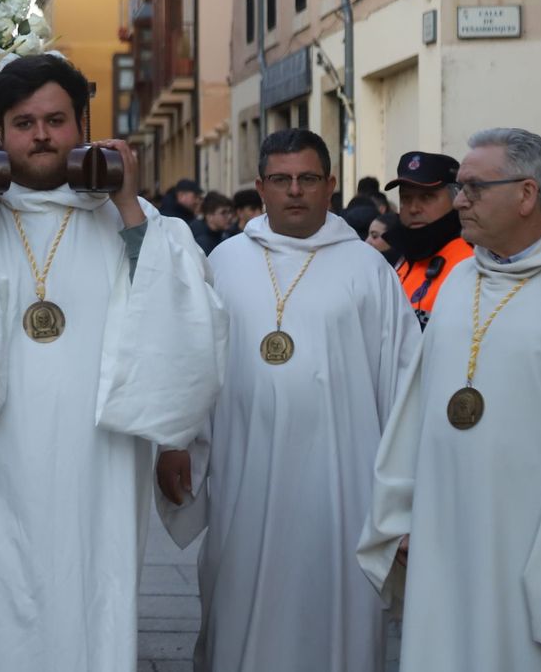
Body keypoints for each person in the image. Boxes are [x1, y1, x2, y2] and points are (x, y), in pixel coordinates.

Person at [0, 54, 226, 672]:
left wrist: (128, 203)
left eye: (55, 120)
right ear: (0, 133)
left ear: (83, 125)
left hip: (92, 457)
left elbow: (174, 322)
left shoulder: (136, 223)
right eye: (23, 123)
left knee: (85, 599)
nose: (41, 135)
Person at [156, 129, 419, 672]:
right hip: (243, 478)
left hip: (343, 490)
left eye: (307, 179)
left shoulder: (369, 271)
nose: (294, 191)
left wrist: (406, 497)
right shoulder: (224, 262)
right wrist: (176, 439)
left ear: (330, 185)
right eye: (281, 180)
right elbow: (189, 361)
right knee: (239, 604)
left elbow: (402, 389)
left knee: (337, 621)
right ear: (260, 186)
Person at [359, 128, 541, 672]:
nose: (460, 199)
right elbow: (418, 406)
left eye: (473, 187)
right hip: (444, 526)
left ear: (526, 194)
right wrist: (399, 509)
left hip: (527, 531)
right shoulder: (463, 279)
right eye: (460, 186)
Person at [382, 151, 473, 329]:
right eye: (406, 198)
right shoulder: (398, 257)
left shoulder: (471, 260)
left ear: (456, 198)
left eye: (427, 197)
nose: (413, 208)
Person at [190, 190, 236, 254]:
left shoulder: (226, 235)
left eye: (230, 212)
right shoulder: (201, 243)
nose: (230, 216)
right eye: (224, 213)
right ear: (209, 216)